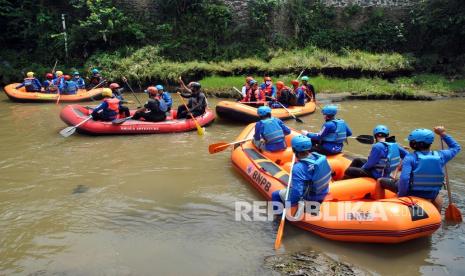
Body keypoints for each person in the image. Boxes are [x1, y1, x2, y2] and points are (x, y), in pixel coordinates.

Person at [378, 127, 461, 208]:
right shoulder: (442, 155)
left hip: (412, 193)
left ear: (415, 144)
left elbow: (404, 180)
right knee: (437, 196)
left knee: (380, 180)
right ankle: (435, 210)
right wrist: (442, 133)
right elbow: (456, 147)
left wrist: (401, 196)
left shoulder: (410, 158)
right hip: (431, 194)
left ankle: (377, 203)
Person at [271, 135, 332, 214]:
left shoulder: (298, 168)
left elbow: (297, 192)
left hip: (310, 197)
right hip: (324, 191)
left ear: (293, 149)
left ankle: (278, 216)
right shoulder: (317, 157)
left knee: (275, 195)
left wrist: (290, 204)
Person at [344, 125, 409, 179]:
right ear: (387, 135)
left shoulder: (377, 146)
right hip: (385, 173)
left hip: (377, 175)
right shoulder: (394, 145)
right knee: (357, 160)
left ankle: (344, 183)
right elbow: (407, 155)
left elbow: (369, 164)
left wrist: (361, 170)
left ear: (375, 136)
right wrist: (401, 166)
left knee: (349, 170)